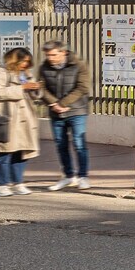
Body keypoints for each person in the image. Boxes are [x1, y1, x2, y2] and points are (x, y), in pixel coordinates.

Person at [0, 47, 41, 196]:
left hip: (24, 119)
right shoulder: (1, 72)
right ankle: (0, 184)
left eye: (28, 62)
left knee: (21, 152)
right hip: (7, 119)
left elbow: (33, 95)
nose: (25, 64)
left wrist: (35, 88)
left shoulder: (26, 73)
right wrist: (22, 88)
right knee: (3, 152)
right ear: (14, 60)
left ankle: (18, 182)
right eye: (23, 61)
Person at [37, 39, 91, 191]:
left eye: (54, 55)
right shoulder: (44, 68)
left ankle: (83, 176)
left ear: (63, 52)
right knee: (61, 145)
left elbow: (83, 87)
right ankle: (68, 176)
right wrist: (54, 103)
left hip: (77, 111)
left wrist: (64, 103)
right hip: (55, 113)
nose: (50, 58)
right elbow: (41, 88)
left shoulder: (78, 66)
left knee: (79, 144)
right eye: (48, 55)